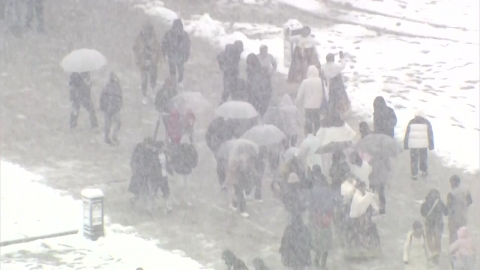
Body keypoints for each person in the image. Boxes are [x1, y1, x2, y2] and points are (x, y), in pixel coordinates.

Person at [308, 165, 337, 270]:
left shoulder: (313, 186)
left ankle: (317, 259)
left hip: (317, 217)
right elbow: (331, 202)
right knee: (326, 241)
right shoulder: (326, 186)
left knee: (319, 241)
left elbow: (311, 203)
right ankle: (323, 262)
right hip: (326, 218)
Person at [347, 181, 381, 258]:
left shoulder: (359, 194)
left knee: (360, 234)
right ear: (360, 187)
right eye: (363, 188)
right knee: (358, 234)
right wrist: (369, 195)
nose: (364, 189)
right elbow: (362, 202)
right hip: (356, 219)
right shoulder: (357, 195)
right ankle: (359, 250)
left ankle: (361, 249)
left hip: (359, 218)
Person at [128, 137, 161, 212]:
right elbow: (135, 162)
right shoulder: (139, 150)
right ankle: (144, 206)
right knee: (140, 191)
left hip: (148, 174)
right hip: (140, 174)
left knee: (146, 190)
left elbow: (154, 162)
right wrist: (138, 171)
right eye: (149, 145)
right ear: (146, 144)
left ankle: (147, 207)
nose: (150, 147)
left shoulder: (151, 151)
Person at [133, 20, 162, 104]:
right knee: (144, 78)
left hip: (152, 60)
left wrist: (157, 57)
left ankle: (152, 89)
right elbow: (135, 48)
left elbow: (158, 49)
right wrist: (139, 57)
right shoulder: (139, 38)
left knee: (153, 76)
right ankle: (144, 94)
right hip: (143, 60)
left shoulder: (154, 38)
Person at [404, 110, 434, 180]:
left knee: (414, 159)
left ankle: (414, 174)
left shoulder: (411, 122)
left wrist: (406, 144)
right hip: (423, 144)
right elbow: (430, 134)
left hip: (413, 144)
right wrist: (431, 145)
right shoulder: (426, 123)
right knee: (423, 158)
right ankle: (423, 171)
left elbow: (407, 133)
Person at [295, 65, 326, 135]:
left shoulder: (305, 82)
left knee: (308, 123)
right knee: (317, 123)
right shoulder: (321, 81)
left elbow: (300, 93)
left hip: (308, 106)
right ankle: (317, 137)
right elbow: (326, 93)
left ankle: (308, 137)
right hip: (318, 106)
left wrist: (296, 102)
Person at [421, 189, 448, 264]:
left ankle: (433, 252)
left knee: (429, 238)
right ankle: (437, 254)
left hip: (429, 223)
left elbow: (423, 212)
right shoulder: (440, 203)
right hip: (439, 224)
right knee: (438, 240)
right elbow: (446, 212)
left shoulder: (426, 203)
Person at [162, 18, 190, 86]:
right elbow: (187, 46)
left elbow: (164, 44)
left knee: (176, 71)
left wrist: (165, 52)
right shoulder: (184, 35)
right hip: (176, 56)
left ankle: (176, 83)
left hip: (176, 55)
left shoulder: (169, 34)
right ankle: (177, 83)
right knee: (177, 71)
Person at [321, 52, 349, 117]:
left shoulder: (324, 67)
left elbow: (322, 72)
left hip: (328, 82)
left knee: (329, 97)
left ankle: (329, 110)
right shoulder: (335, 66)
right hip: (337, 82)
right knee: (338, 97)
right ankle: (340, 109)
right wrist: (342, 58)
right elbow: (342, 66)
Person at [447, 175, 473, 244]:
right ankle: (463, 248)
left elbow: (449, 206)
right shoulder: (466, 190)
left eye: (451, 183)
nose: (451, 185)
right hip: (463, 216)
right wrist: (463, 206)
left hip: (454, 217)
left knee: (453, 235)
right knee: (462, 233)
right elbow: (470, 201)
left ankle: (453, 250)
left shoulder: (451, 193)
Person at [99, 72, 123, 145]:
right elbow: (103, 97)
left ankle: (112, 137)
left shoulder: (116, 87)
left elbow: (120, 97)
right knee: (109, 124)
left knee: (117, 123)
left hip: (114, 108)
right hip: (109, 108)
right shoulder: (107, 87)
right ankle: (108, 137)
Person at [246, 53, 270, 117]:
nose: (249, 66)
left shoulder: (261, 73)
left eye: (250, 64)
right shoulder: (250, 74)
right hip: (253, 98)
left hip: (261, 98)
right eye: (248, 64)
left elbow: (264, 86)